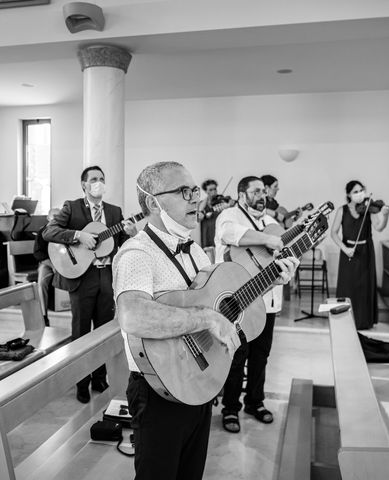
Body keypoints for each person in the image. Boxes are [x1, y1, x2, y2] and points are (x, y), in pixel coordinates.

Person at [113, 162, 296, 480]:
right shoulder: (137, 253)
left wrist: (270, 281)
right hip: (159, 391)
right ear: (153, 202)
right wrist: (206, 318)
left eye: (195, 190)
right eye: (185, 191)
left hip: (200, 381)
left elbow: (227, 302)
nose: (195, 198)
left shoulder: (196, 252)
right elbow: (133, 315)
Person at [43, 166, 137, 404]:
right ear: (84, 185)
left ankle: (98, 377)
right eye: (93, 179)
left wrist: (131, 234)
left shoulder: (115, 212)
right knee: (81, 332)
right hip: (82, 278)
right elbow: (49, 232)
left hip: (106, 277)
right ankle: (81, 382)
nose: (98, 183)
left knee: (104, 331)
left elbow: (121, 245)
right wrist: (77, 235)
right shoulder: (71, 207)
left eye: (102, 179)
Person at [214, 175, 298, 433]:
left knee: (262, 355)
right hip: (240, 300)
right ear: (242, 194)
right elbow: (230, 235)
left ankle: (255, 402)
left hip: (269, 301)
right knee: (238, 355)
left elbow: (286, 253)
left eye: (264, 192)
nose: (263, 196)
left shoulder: (272, 222)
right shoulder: (229, 215)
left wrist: (288, 269)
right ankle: (230, 408)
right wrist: (266, 240)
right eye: (257, 191)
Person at [331, 180, 389, 330]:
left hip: (365, 251)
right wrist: (344, 248)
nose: (359, 194)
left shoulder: (369, 209)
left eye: (361, 190)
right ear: (348, 195)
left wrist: (385, 216)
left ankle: (363, 321)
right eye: (355, 192)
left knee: (364, 287)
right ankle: (345, 320)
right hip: (348, 251)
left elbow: (379, 227)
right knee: (348, 286)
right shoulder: (342, 210)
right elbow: (334, 232)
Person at [33, 207, 61, 326]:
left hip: (64, 265)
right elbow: (38, 253)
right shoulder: (42, 231)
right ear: (48, 218)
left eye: (58, 216)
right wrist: (53, 265)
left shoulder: (64, 231)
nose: (56, 219)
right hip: (48, 264)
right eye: (54, 216)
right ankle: (44, 316)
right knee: (42, 283)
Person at [197, 179, 219, 247]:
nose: (214, 191)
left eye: (215, 189)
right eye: (210, 190)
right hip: (207, 237)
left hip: (218, 236)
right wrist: (208, 198)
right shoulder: (202, 204)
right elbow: (199, 215)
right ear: (206, 191)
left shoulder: (220, 202)